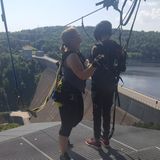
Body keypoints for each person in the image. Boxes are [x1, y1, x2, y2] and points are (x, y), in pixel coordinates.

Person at [57, 27, 103, 160]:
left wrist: (92, 63)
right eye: (77, 34)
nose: (80, 35)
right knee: (67, 124)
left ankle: (65, 139)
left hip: (74, 93)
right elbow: (82, 75)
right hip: (67, 95)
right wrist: (95, 65)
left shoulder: (76, 52)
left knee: (76, 119)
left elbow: (85, 65)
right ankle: (63, 154)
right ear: (72, 40)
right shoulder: (71, 56)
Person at [85, 20, 124, 149]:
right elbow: (122, 68)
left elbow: (90, 67)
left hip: (97, 85)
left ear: (99, 32)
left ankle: (97, 140)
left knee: (97, 113)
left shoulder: (96, 47)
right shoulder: (118, 47)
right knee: (106, 112)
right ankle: (106, 139)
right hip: (111, 85)